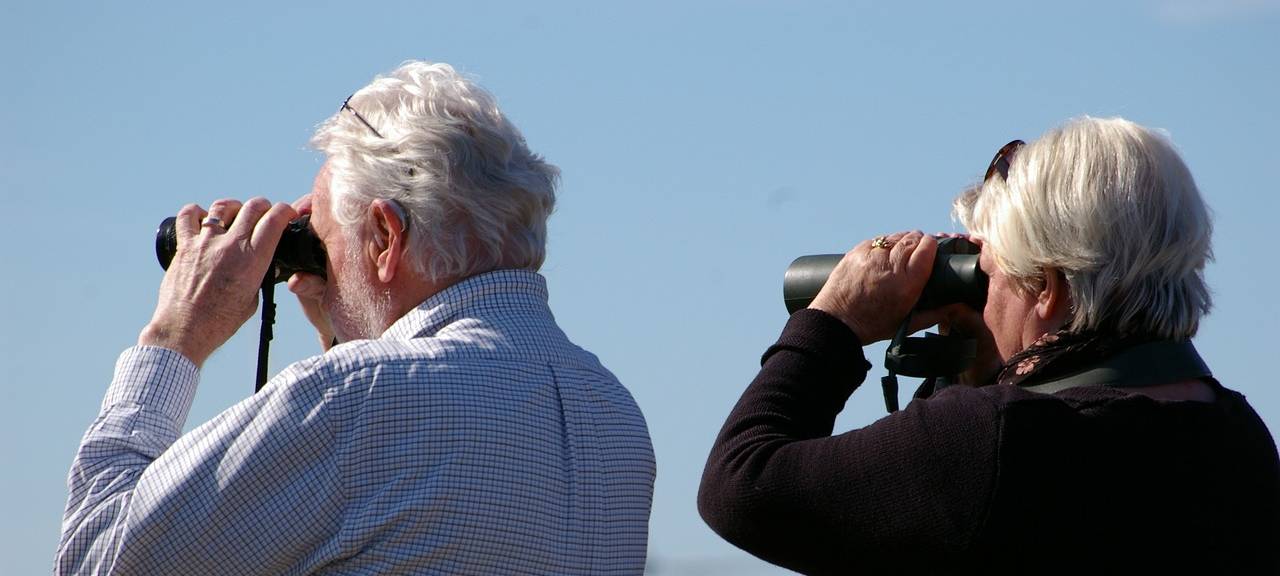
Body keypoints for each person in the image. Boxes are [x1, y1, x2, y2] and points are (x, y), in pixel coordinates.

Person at [57, 61, 655, 575]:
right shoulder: (613, 414)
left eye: (322, 237)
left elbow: (96, 559)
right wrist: (344, 331)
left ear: (385, 237)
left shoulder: (356, 397)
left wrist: (175, 335)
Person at [698, 117, 1279, 574]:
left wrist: (834, 321)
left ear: (1046, 287)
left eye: (989, 273)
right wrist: (976, 364)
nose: (982, 292)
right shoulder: (1240, 440)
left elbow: (742, 487)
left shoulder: (997, 442)